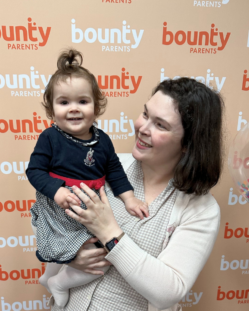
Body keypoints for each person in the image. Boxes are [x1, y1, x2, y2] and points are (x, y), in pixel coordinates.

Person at [49, 77, 224, 310]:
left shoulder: (200, 209)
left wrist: (109, 232)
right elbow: (50, 220)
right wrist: (69, 255)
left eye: (160, 125)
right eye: (145, 114)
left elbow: (168, 291)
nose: (142, 128)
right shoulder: (103, 168)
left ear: (188, 143)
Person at [26, 49, 148, 308]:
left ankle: (59, 282)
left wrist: (129, 199)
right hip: (60, 205)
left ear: (96, 106)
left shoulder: (102, 140)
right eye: (64, 102)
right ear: (51, 108)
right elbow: (34, 171)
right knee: (63, 251)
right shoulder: (50, 138)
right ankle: (51, 278)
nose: (73, 109)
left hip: (91, 206)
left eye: (82, 101)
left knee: (101, 258)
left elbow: (114, 171)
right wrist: (57, 191)